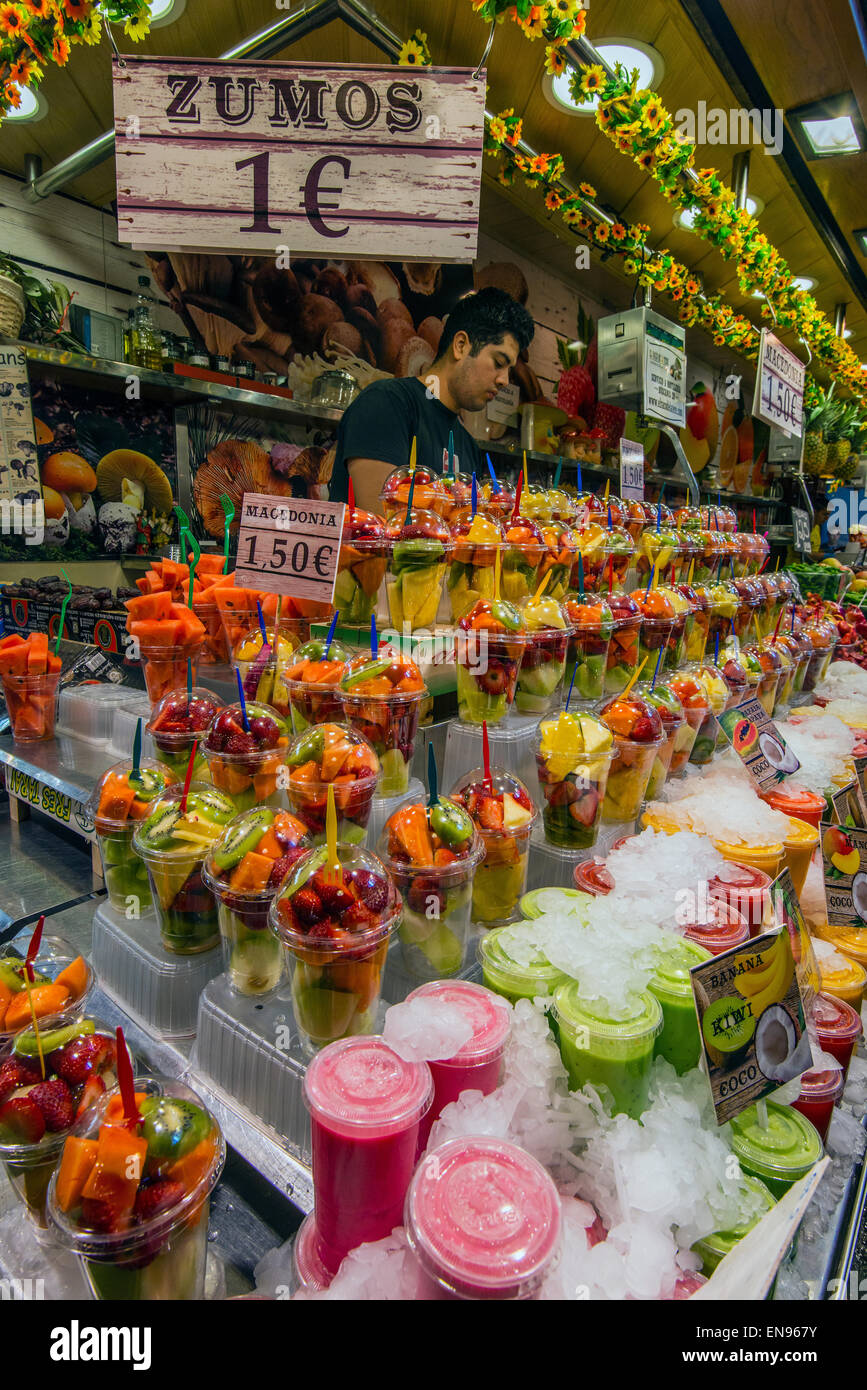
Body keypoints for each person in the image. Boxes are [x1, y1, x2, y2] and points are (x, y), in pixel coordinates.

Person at [330, 287, 535, 512]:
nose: (505, 380)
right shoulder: (386, 404)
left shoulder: (468, 445)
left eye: (509, 370)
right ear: (460, 346)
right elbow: (385, 526)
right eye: (498, 362)